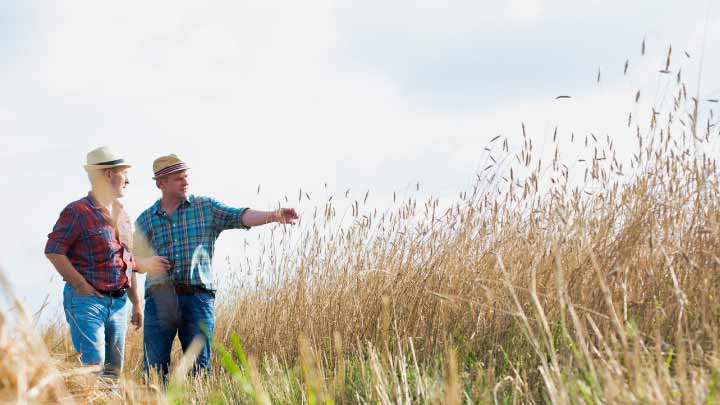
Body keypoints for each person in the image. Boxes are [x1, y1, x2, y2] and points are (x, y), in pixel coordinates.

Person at [134, 154, 298, 380]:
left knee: (199, 369)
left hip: (198, 299)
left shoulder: (205, 208)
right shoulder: (145, 220)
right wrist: (146, 263)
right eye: (178, 178)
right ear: (161, 183)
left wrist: (274, 215)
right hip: (159, 301)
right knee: (154, 368)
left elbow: (241, 216)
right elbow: (130, 260)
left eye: (186, 177)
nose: (185, 182)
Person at [45, 146, 152, 379]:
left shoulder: (122, 216)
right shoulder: (78, 211)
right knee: (93, 367)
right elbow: (54, 250)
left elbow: (128, 262)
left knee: (113, 373)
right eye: (124, 173)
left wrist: (137, 304)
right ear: (108, 174)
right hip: (87, 302)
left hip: (119, 304)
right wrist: (81, 286)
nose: (128, 180)